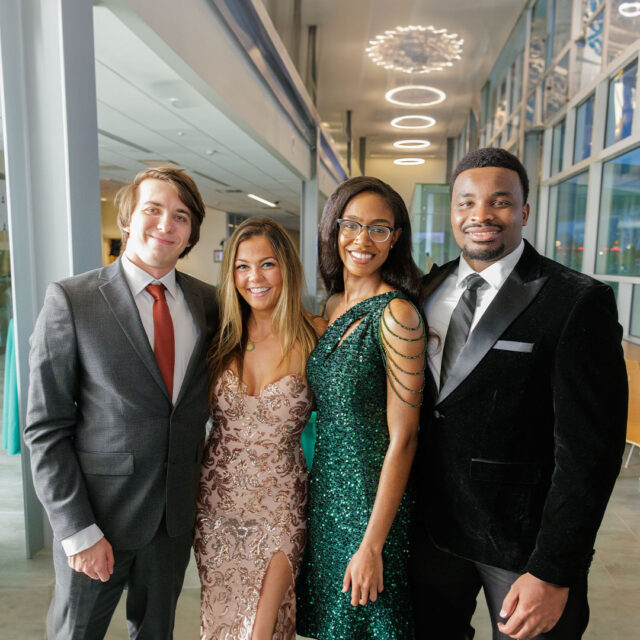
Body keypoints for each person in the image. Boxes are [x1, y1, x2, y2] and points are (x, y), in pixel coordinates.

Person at [410, 148, 628, 640]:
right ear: (452, 211)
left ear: (525, 211)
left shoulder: (576, 300)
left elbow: (590, 454)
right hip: (431, 535)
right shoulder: (426, 289)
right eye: (466, 203)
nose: (481, 215)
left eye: (500, 202)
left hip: (521, 545)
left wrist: (554, 569)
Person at [24, 167, 219, 639]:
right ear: (129, 216)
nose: (165, 224)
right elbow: (45, 429)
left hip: (172, 522)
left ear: (191, 234)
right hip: (97, 519)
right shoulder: (72, 300)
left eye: (181, 216)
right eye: (153, 210)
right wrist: (77, 530)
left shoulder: (211, 304)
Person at [296, 177, 427, 640]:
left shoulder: (396, 315)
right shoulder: (329, 306)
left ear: (395, 239)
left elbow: (405, 437)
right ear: (333, 229)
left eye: (379, 228)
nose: (362, 240)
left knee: (371, 620)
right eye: (351, 225)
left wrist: (372, 545)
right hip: (326, 493)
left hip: (372, 503)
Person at [194, 216, 325, 640]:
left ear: (286, 267)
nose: (255, 277)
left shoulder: (315, 334)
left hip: (280, 504)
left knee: (260, 631)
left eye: (267, 264)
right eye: (242, 267)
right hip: (217, 503)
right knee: (221, 625)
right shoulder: (219, 336)